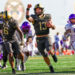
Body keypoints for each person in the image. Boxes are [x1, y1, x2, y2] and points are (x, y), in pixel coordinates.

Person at [26, 4, 57, 73]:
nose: (37, 10)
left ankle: (53, 55)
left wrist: (51, 25)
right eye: (36, 9)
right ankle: (50, 66)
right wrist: (27, 9)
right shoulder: (34, 17)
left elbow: (53, 27)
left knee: (49, 49)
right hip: (39, 38)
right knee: (44, 54)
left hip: (46, 36)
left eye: (39, 9)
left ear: (42, 10)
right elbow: (28, 18)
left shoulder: (47, 16)